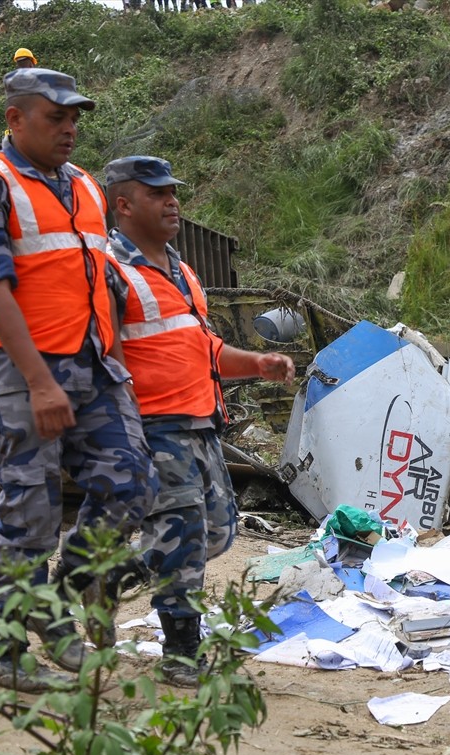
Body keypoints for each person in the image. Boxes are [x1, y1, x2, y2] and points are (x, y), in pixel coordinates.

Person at [0, 69, 157, 693]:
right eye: (55, 117)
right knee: (30, 508)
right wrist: (38, 381)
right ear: (15, 119)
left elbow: (104, 282)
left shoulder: (85, 186)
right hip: (20, 371)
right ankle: (5, 652)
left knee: (132, 483)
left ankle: (59, 592)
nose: (69, 129)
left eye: (74, 119)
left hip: (94, 368)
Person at [102, 156, 295, 687]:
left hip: (203, 423)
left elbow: (203, 347)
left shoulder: (182, 272)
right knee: (185, 534)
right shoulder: (110, 271)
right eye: (157, 193)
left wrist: (255, 363)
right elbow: (100, 355)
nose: (173, 202)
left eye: (173, 192)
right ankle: (182, 652)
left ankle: (108, 577)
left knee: (217, 532)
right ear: (124, 205)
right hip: (152, 426)